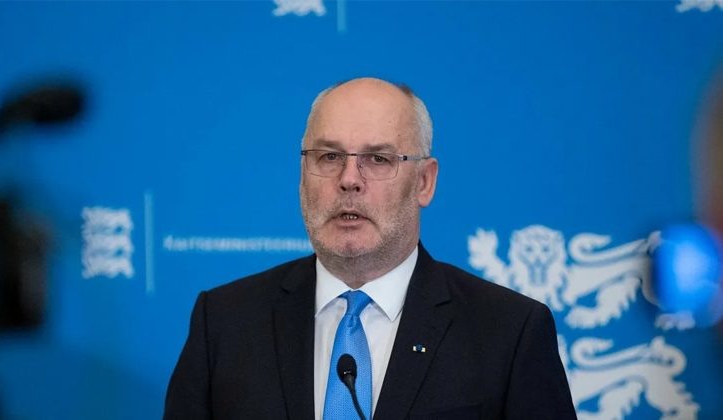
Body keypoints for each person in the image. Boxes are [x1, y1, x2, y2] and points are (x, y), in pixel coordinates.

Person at [164, 77, 576, 419]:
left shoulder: (508, 332)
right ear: (302, 174)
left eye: (378, 160)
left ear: (424, 182)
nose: (349, 179)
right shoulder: (224, 322)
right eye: (329, 156)